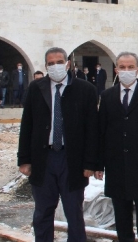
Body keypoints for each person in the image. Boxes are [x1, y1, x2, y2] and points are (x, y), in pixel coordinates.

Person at [17, 47, 99, 242]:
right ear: (46, 66)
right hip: (43, 159)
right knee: (43, 210)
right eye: (51, 63)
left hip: (72, 160)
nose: (56, 66)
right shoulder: (36, 89)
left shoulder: (85, 90)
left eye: (59, 62)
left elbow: (92, 130)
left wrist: (90, 163)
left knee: (74, 211)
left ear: (68, 64)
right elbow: (27, 125)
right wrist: (24, 159)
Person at [95, 52, 138, 242]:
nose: (126, 71)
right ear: (116, 70)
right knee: (122, 217)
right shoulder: (107, 96)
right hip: (116, 166)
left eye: (130, 67)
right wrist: (99, 164)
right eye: (122, 67)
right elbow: (102, 131)